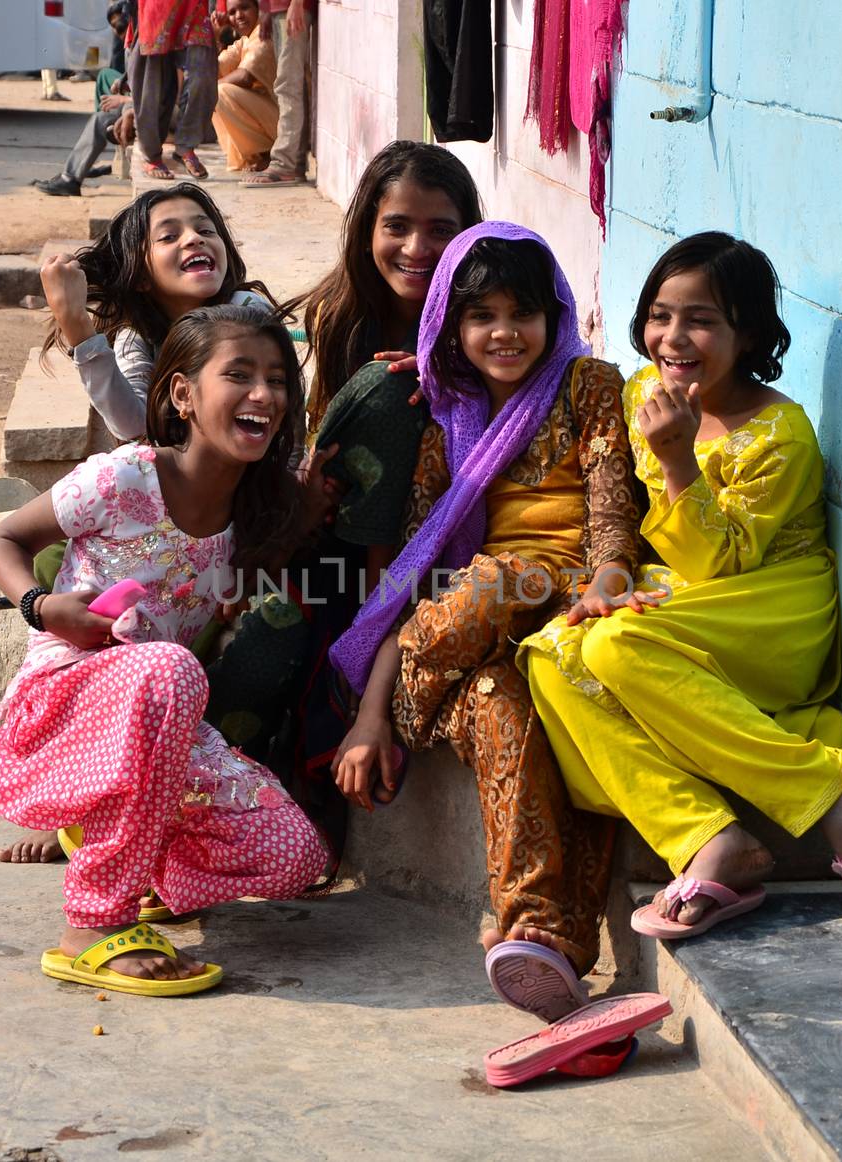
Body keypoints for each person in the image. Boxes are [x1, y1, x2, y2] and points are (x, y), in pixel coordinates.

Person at [521, 232, 842, 941]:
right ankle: (706, 833)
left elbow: (717, 563)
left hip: (771, 614)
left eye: (701, 320)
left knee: (614, 651)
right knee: (550, 655)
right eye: (661, 315)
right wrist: (609, 581)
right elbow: (630, 520)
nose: (674, 336)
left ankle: (831, 788)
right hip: (689, 598)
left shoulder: (778, 434)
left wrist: (675, 460)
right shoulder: (644, 394)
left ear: (747, 332)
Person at [329, 223, 644, 1022]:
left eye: (523, 312)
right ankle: (541, 936)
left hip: (566, 598)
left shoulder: (589, 387)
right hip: (470, 633)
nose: (504, 333)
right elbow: (408, 579)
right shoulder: (447, 422)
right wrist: (371, 716)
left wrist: (607, 580)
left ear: (554, 313)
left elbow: (612, 505)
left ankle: (547, 943)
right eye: (481, 316)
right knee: (499, 671)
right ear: (451, 325)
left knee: (513, 671)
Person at [0, 305, 330, 997]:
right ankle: (92, 925)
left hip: (160, 723)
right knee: (171, 668)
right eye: (240, 375)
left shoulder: (254, 515)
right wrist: (43, 607)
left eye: (277, 379)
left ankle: (127, 865)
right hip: (63, 704)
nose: (265, 394)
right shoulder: (122, 478)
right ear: (182, 395)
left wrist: (309, 507)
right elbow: (2, 540)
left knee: (297, 855)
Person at [199, 141, 482, 881]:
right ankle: (205, 814)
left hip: (428, 560)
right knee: (262, 650)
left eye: (441, 227)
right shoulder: (337, 318)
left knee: (390, 398)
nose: (417, 247)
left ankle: (320, 747)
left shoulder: (488, 324)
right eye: (397, 224)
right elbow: (307, 436)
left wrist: (448, 369)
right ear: (365, 230)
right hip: (333, 548)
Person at [42, 186, 273, 443]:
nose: (194, 239)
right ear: (141, 276)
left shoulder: (247, 310)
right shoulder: (137, 337)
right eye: (168, 236)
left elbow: (289, 410)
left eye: (206, 230)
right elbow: (132, 425)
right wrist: (77, 328)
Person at [129, 0, 216, 180]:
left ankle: (186, 145)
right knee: (152, 84)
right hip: (156, 9)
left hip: (194, 8)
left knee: (203, 75)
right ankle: (151, 155)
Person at [31, 66, 134, 197]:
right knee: (105, 76)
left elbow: (157, 98)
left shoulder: (153, 52)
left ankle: (70, 179)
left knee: (100, 120)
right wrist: (123, 82)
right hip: (139, 97)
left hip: (146, 109)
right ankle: (86, 160)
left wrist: (124, 100)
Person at [242, 0, 312, 186]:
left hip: (292, 8)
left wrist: (297, 4)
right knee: (292, 84)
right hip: (279, 9)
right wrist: (266, 10)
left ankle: (284, 164)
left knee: (288, 85)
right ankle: (294, 163)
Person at [211, 0, 277, 173]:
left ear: (258, 8)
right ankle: (254, 156)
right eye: (232, 12)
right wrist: (217, 35)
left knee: (219, 93)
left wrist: (210, 89)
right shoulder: (245, 40)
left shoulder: (263, 31)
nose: (238, 16)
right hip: (269, 118)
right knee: (211, 92)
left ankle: (266, 154)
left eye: (245, 8)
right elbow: (212, 71)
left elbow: (245, 76)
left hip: (285, 124)